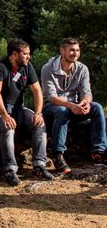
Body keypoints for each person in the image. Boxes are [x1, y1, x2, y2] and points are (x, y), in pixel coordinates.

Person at [0, 38, 54, 186]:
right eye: (25, 54)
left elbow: (37, 91)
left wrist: (38, 113)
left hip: (18, 108)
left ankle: (39, 165)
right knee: (8, 128)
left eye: (28, 53)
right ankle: (10, 170)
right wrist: (4, 115)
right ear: (14, 54)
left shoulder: (27, 67)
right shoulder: (0, 67)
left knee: (39, 124)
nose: (28, 56)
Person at [41, 37, 107, 173]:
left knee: (97, 108)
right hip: (51, 107)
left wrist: (86, 102)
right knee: (62, 110)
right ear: (62, 51)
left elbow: (86, 91)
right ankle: (58, 155)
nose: (75, 53)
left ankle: (98, 152)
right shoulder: (48, 68)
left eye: (77, 50)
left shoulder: (82, 68)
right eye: (71, 50)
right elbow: (51, 97)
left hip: (74, 105)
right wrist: (70, 105)